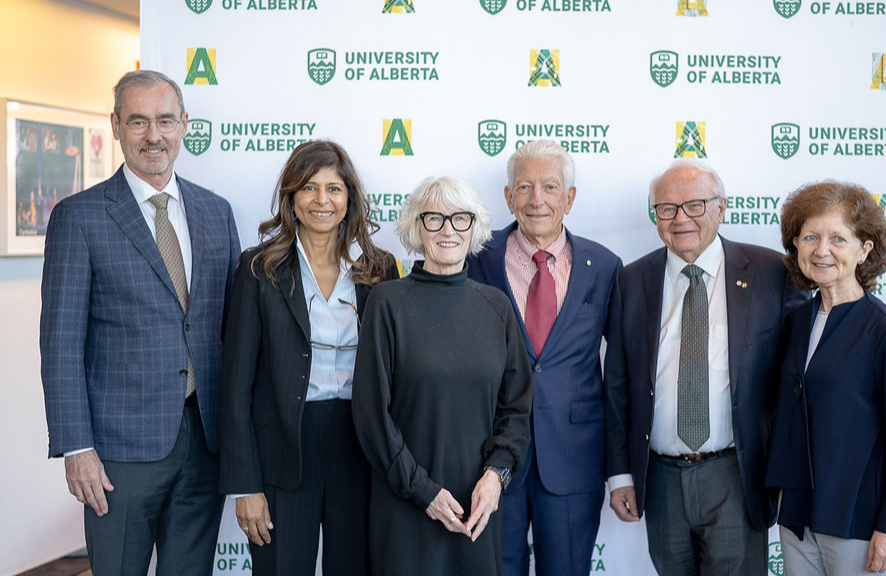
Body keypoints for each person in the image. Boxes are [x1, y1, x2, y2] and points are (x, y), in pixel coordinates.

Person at [39, 70, 240, 575]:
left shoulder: (217, 213)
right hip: (116, 454)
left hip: (204, 442)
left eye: (165, 120)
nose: (154, 135)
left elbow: (231, 330)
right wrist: (76, 446)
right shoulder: (79, 217)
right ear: (117, 125)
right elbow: (61, 341)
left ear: (184, 125)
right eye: (139, 121)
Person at [603, 158, 807, 575]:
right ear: (655, 215)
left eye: (695, 205)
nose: (681, 219)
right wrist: (620, 474)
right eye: (667, 209)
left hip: (737, 472)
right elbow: (618, 386)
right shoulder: (630, 281)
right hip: (659, 478)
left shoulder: (771, 273)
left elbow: (797, 381)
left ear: (722, 206)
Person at [219, 140, 399, 575]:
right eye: (309, 188)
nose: (322, 200)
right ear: (291, 198)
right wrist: (246, 485)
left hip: (360, 449)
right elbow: (236, 384)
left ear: (349, 198)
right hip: (283, 449)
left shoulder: (380, 270)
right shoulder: (259, 269)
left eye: (334, 189)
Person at [352, 176, 533, 576]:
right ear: (417, 228)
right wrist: (424, 492)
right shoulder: (387, 302)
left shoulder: (497, 307)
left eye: (460, 219)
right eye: (434, 219)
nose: (448, 229)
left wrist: (496, 477)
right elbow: (371, 417)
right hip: (404, 509)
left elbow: (517, 409)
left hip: (477, 510)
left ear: (475, 228)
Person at [467, 139, 621, 576]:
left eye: (550, 188)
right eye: (525, 187)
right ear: (507, 196)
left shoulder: (605, 266)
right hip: (490, 460)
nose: (537, 200)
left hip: (574, 458)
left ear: (569, 198)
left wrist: (623, 468)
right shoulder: (475, 260)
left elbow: (624, 371)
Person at [764, 181, 886, 575]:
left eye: (838, 238)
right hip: (798, 516)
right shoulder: (797, 321)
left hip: (858, 519)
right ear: (796, 245)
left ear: (864, 248)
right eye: (811, 237)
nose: (822, 250)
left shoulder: (885, 330)